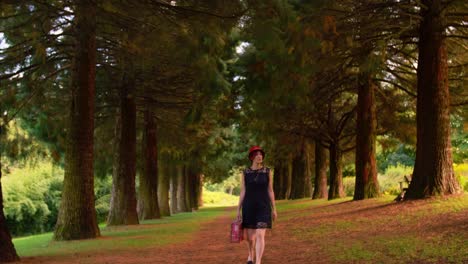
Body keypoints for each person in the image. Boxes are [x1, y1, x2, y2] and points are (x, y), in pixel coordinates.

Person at [237, 146, 277, 264]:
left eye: (261, 154)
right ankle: (250, 254)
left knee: (260, 234)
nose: (259, 156)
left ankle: (258, 261)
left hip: (263, 207)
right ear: (252, 157)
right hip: (249, 207)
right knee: (250, 238)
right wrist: (238, 210)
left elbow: (270, 190)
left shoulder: (267, 171)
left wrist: (274, 209)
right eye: (257, 154)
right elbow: (243, 191)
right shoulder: (245, 172)